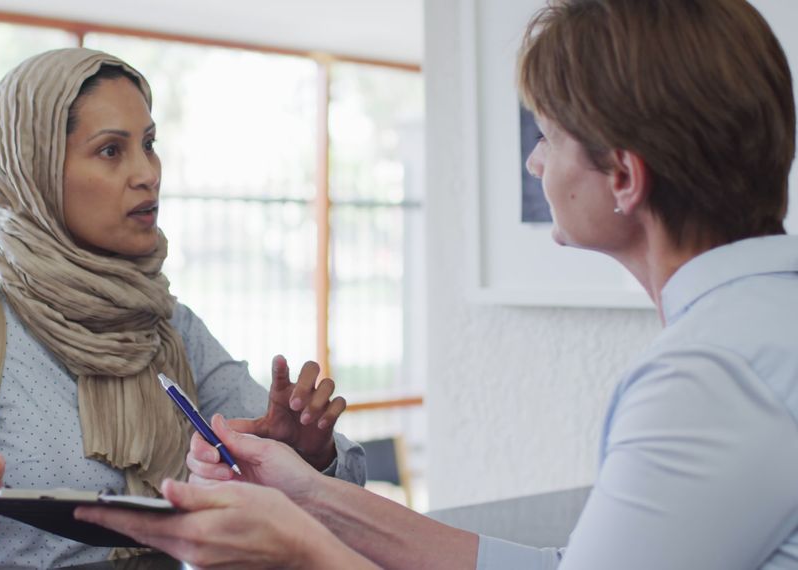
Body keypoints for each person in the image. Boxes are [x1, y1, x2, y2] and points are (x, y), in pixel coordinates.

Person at [73, 0, 798, 568]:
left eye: (545, 135)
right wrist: (311, 495)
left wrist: (299, 547)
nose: (534, 164)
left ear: (623, 177)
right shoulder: (763, 326)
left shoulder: (707, 376)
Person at [0, 48, 365, 569]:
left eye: (150, 144)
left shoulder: (168, 326)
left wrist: (310, 454)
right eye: (111, 151)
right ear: (36, 169)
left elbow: (335, 493)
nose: (147, 174)